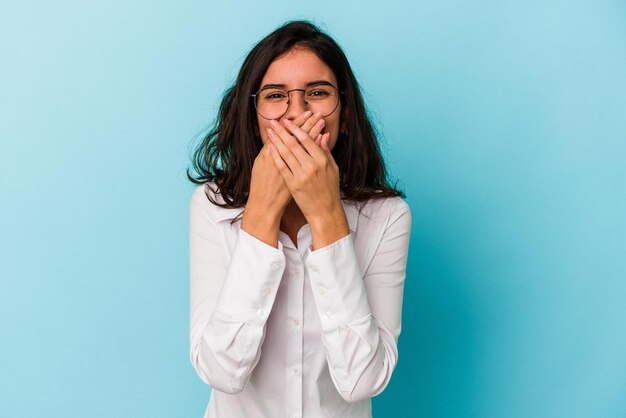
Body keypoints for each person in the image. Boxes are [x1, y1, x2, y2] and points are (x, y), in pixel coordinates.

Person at [187, 20, 412, 418]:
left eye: (317, 93)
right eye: (276, 96)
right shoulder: (211, 206)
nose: (297, 114)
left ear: (343, 110)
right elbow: (220, 370)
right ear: (253, 114)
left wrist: (327, 214)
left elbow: (363, 379)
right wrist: (261, 211)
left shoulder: (388, 217)